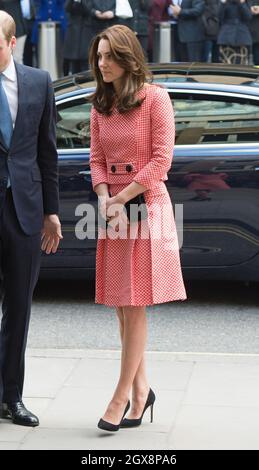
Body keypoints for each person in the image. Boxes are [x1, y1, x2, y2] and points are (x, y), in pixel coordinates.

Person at [89, 24, 186, 432]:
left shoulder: (156, 99)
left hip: (144, 203)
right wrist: (102, 199)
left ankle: (120, 396)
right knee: (122, 305)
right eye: (98, 56)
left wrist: (120, 198)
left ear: (127, 57)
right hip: (113, 208)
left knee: (135, 301)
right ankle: (142, 390)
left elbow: (161, 161)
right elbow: (95, 157)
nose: (102, 63)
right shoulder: (100, 104)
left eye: (109, 56)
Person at [0, 10, 62, 426]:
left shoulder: (39, 82)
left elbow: (47, 154)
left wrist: (52, 212)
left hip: (24, 209)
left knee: (19, 307)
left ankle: (11, 397)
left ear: (10, 43)